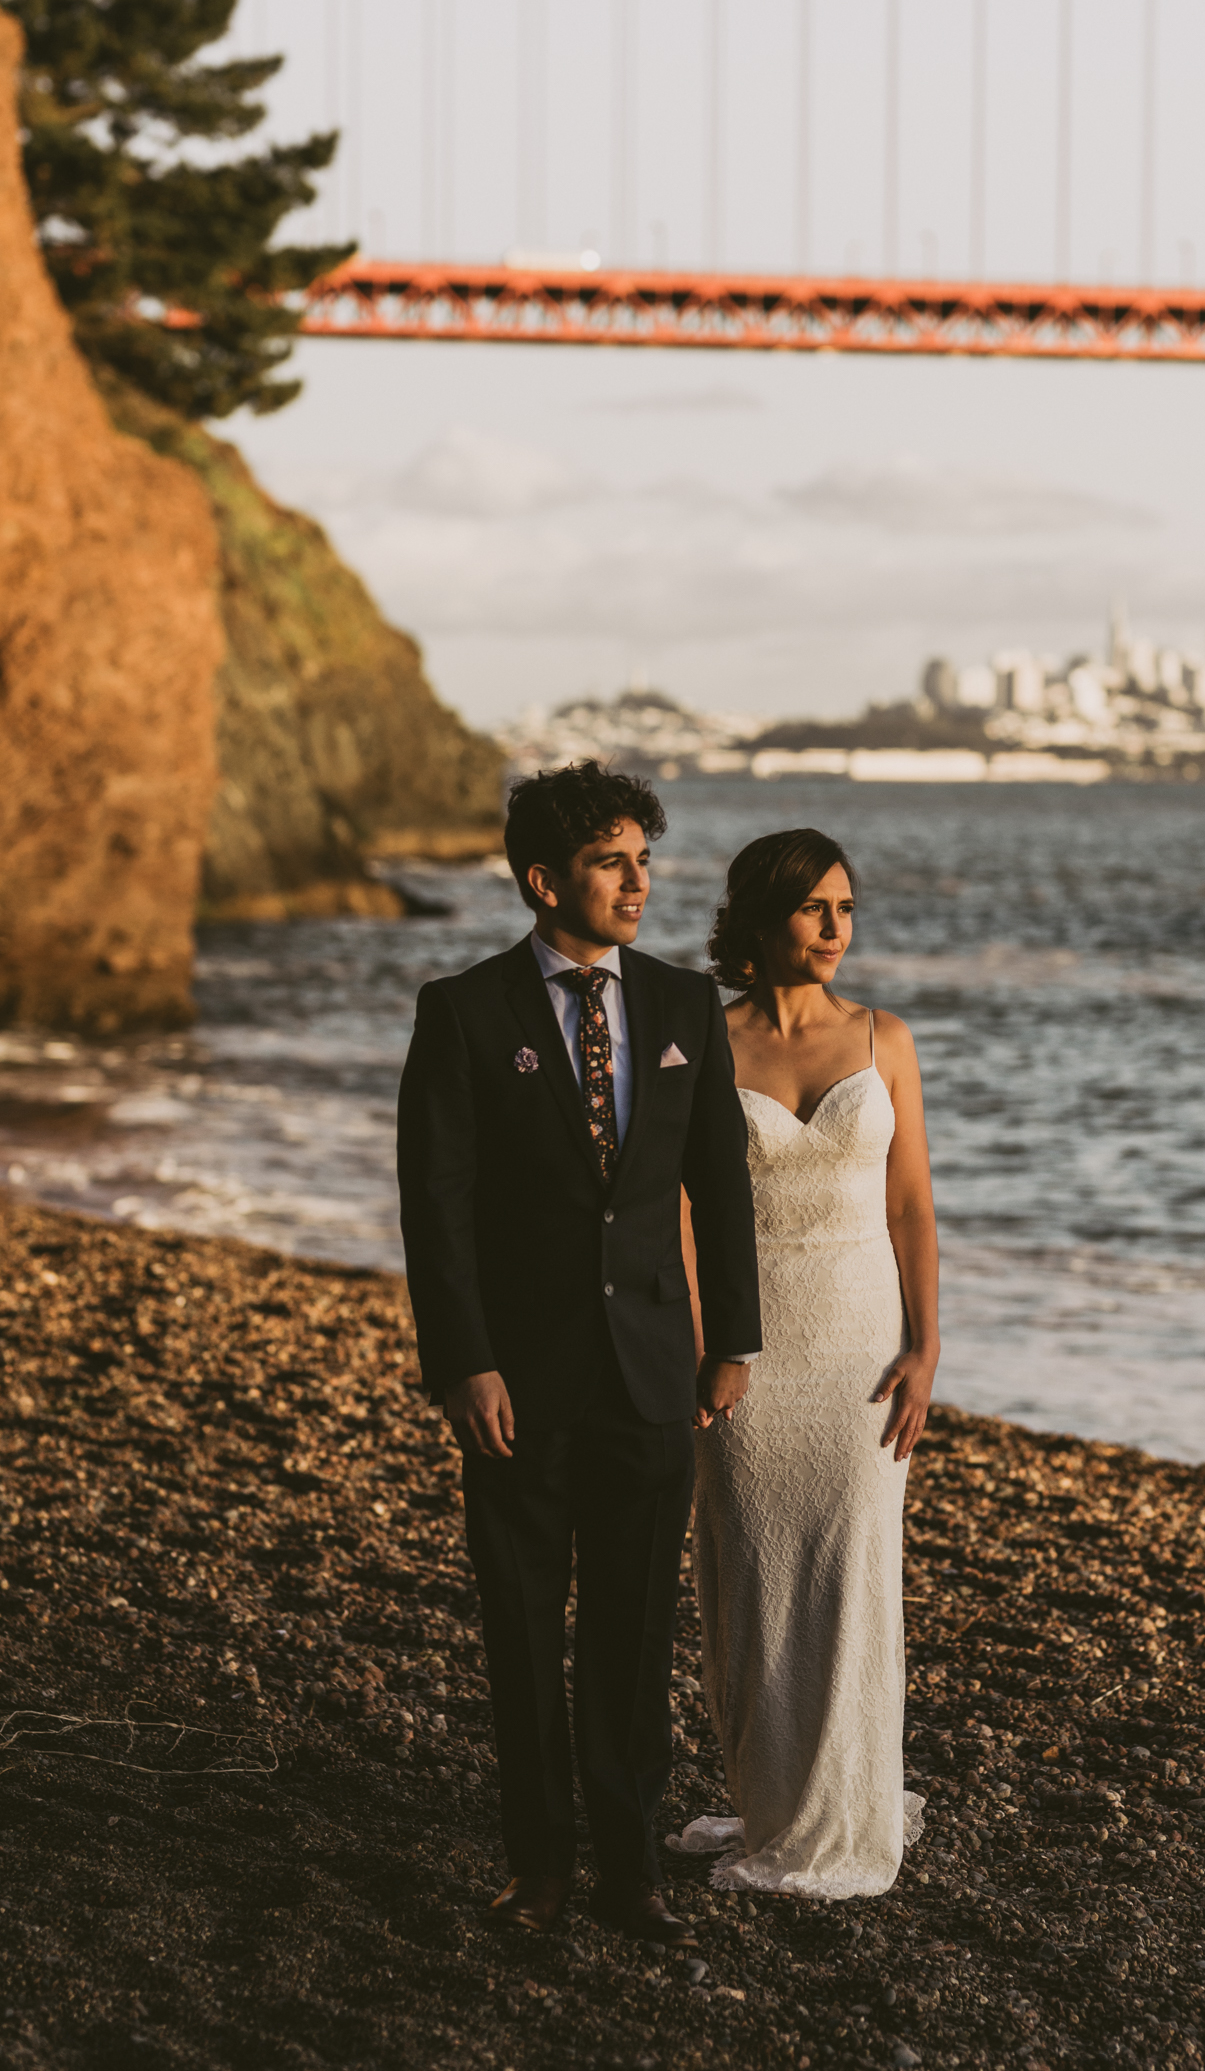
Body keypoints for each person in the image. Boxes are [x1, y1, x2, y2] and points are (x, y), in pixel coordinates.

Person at [396, 761, 761, 1942]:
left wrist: (731, 1342)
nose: (638, 884)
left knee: (631, 1630)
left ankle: (630, 1867)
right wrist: (463, 1363)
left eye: (644, 861)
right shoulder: (462, 1013)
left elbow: (720, 1185)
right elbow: (435, 1204)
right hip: (518, 1381)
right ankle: (538, 1868)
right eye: (612, 862)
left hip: (653, 1373)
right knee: (519, 1627)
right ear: (544, 880)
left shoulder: (681, 1008)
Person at [675, 827, 940, 1896]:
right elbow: (683, 1206)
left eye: (846, 910)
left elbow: (911, 1203)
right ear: (756, 920)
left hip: (859, 1343)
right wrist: (706, 1341)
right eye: (811, 909)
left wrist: (925, 1345)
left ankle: (841, 1812)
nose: (834, 929)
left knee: (852, 1565)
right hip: (749, 1340)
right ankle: (772, 1800)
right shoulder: (702, 1040)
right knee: (749, 1572)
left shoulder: (885, 1039)